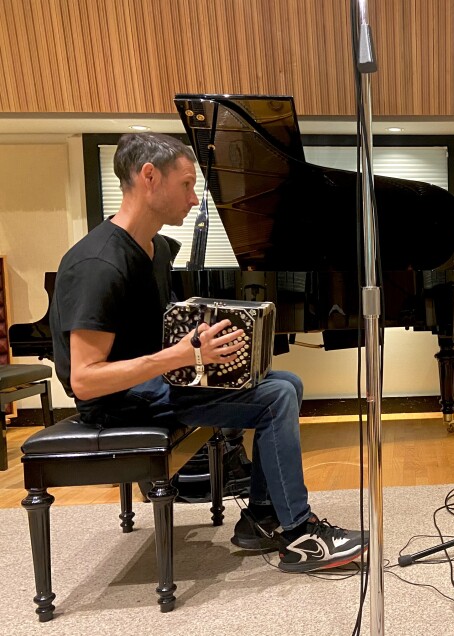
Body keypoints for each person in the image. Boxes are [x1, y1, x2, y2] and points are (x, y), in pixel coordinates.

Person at [49, 132, 366, 573]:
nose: (194, 197)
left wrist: (201, 344)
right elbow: (84, 380)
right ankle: (299, 537)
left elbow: (154, 335)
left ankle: (262, 517)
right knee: (275, 398)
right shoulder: (98, 265)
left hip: (153, 384)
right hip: (116, 405)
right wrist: (180, 357)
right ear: (149, 177)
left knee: (284, 382)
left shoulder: (155, 250)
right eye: (185, 184)